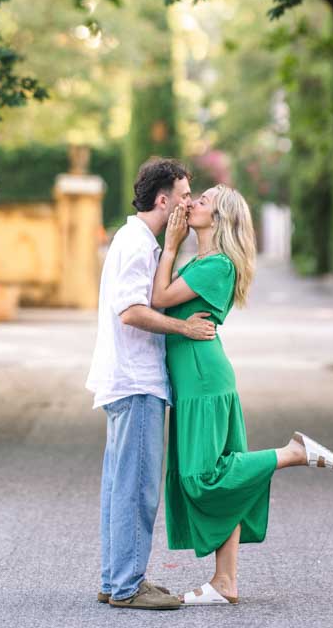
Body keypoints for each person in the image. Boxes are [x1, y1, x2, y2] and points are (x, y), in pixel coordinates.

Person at [152, 184, 333, 607]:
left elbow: (158, 299)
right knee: (226, 473)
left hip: (203, 382)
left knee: (203, 477)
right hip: (199, 380)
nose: (192, 204)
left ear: (219, 218)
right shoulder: (203, 260)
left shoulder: (217, 265)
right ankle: (225, 582)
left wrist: (169, 245)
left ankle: (292, 453)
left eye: (201, 201)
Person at [85, 158, 219, 611]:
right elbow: (131, 311)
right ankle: (127, 586)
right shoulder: (138, 243)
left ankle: (115, 579)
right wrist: (185, 329)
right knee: (136, 487)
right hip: (135, 381)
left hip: (128, 380)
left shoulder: (139, 240)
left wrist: (174, 244)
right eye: (183, 195)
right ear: (163, 200)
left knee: (119, 485)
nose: (188, 202)